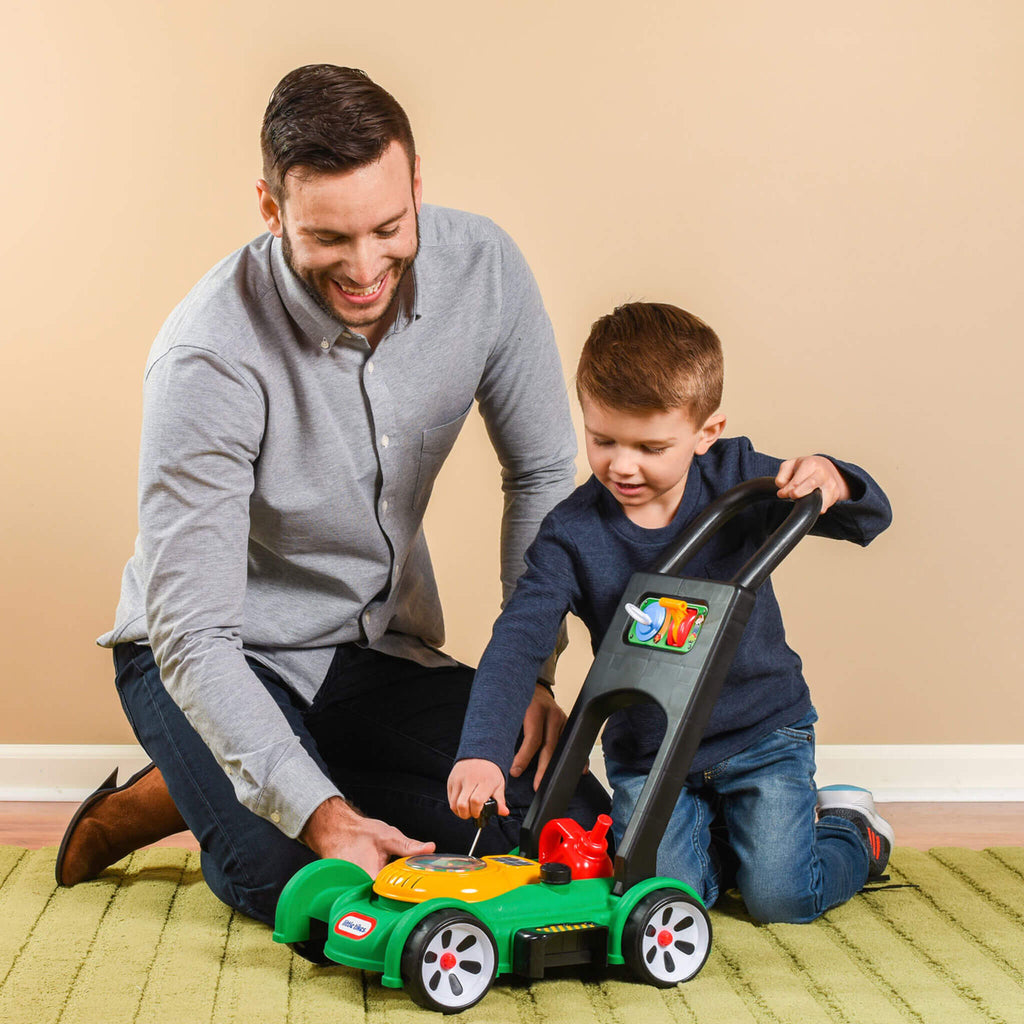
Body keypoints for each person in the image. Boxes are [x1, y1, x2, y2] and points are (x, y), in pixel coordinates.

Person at [57, 64, 609, 934]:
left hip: (370, 649)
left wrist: (526, 676)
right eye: (327, 238)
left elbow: (542, 472)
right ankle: (189, 793)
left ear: (418, 187)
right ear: (271, 212)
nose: (364, 269)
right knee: (310, 889)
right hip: (221, 652)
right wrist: (318, 815)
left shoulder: (486, 270)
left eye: (389, 228)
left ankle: (246, 774)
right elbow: (194, 633)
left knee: (566, 822)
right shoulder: (206, 356)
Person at [448, 302, 894, 923]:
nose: (622, 464)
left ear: (705, 432)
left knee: (782, 898)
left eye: (651, 446)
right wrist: (481, 751)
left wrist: (834, 480)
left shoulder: (739, 479)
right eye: (602, 440)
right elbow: (516, 642)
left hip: (760, 734)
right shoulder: (570, 534)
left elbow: (869, 518)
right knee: (663, 903)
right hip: (650, 754)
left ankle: (851, 828)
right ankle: (724, 844)